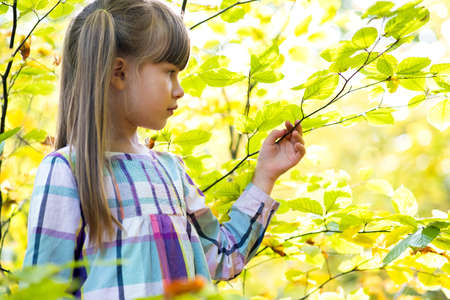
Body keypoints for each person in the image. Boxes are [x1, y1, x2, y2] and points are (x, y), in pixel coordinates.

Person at [22, 0, 306, 299]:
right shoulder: (67, 171)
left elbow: (221, 258)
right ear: (119, 73)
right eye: (170, 72)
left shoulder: (171, 170)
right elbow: (41, 291)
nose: (179, 89)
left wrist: (265, 178)